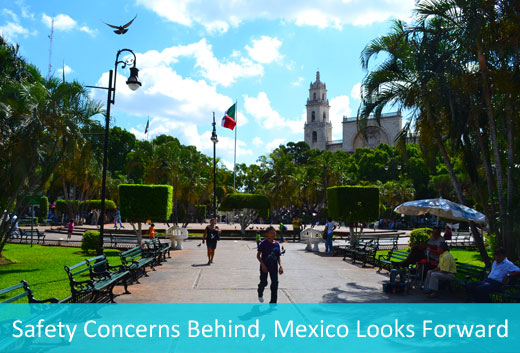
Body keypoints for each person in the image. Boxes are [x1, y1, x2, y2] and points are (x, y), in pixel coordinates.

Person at [257, 226, 283, 303]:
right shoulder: (263, 243)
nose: (273, 234)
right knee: (264, 282)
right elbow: (258, 256)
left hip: (274, 267)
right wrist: (263, 265)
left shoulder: (277, 244)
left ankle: (273, 302)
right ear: (267, 234)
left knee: (275, 284)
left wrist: (280, 266)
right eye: (271, 232)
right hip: (264, 266)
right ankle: (260, 292)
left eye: (274, 232)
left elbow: (278, 256)